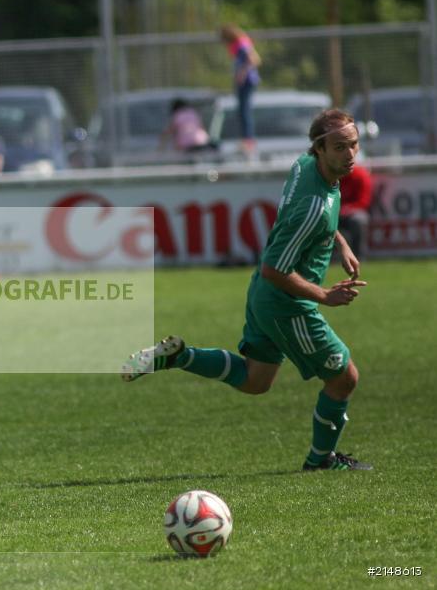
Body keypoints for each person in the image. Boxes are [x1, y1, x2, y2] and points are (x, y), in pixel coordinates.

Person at [121, 109, 372, 472]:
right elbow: (275, 268)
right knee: (344, 377)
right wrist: (325, 296)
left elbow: (316, 220)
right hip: (287, 303)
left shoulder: (306, 168)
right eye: (339, 147)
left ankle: (179, 357)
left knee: (255, 380)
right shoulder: (313, 207)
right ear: (319, 148)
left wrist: (341, 243)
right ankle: (321, 460)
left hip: (263, 295)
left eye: (354, 144)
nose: (350, 154)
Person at [220, 24, 261, 156]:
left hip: (246, 81)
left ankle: (248, 141)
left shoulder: (242, 44)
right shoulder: (238, 44)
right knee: (242, 111)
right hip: (243, 81)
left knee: (244, 111)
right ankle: (246, 139)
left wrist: (242, 73)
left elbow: (253, 60)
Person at [338, 163, 372, 259]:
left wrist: (347, 209)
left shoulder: (360, 175)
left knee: (359, 221)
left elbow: (364, 202)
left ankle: (358, 257)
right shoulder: (333, 175)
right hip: (336, 212)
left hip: (353, 212)